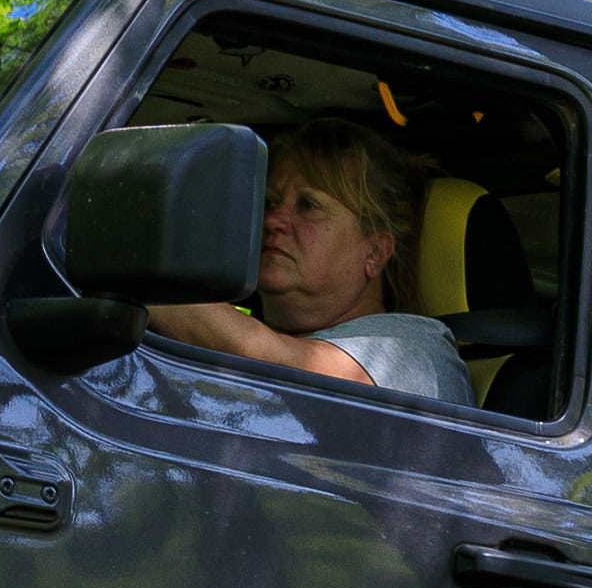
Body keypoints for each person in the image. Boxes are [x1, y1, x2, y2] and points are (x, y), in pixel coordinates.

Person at [148, 119, 478, 407]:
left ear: (375, 252)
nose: (273, 219)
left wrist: (137, 277)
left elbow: (276, 362)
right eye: (271, 202)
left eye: (308, 205)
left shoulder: (414, 350)